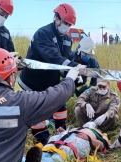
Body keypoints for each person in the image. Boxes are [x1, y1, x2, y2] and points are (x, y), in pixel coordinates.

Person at [18, 3, 82, 145]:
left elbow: (66, 61)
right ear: (57, 18)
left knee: (60, 105)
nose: (67, 27)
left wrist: (75, 76)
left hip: (50, 80)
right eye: (65, 23)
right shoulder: (43, 34)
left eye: (69, 25)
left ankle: (61, 133)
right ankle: (41, 141)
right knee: (38, 110)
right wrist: (74, 66)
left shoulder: (66, 40)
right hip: (33, 80)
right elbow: (53, 58)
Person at [23, 125, 110, 162]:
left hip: (81, 141)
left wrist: (90, 139)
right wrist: (63, 132)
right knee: (46, 151)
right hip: (62, 139)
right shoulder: (79, 127)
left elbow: (103, 146)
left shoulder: (99, 133)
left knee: (61, 156)